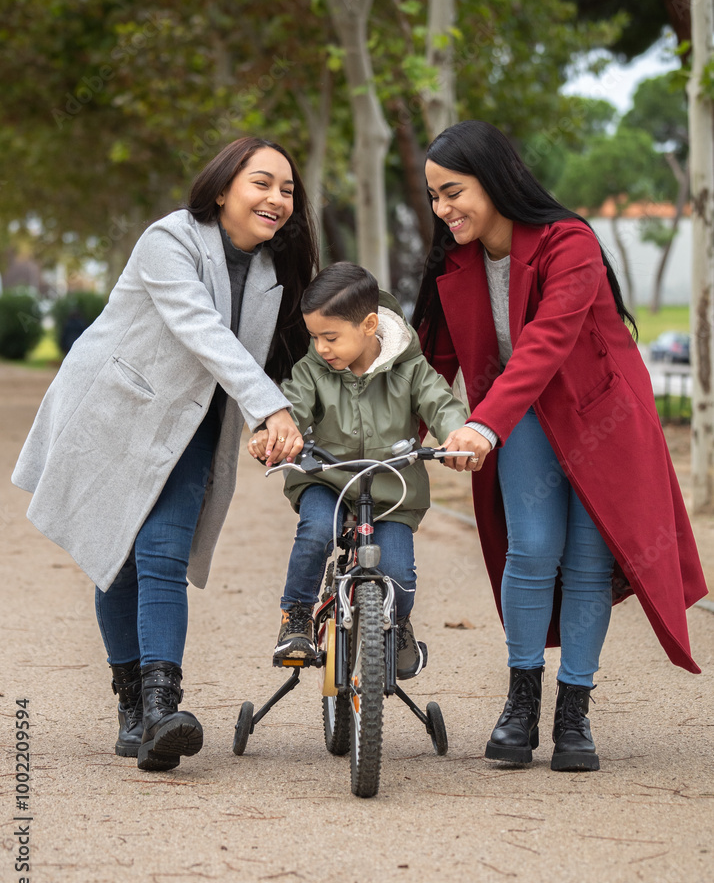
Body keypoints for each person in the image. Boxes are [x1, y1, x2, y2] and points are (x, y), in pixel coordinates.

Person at [12, 137, 318, 771]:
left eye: (287, 190)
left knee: (162, 554)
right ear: (220, 189)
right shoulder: (169, 239)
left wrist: (278, 418)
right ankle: (132, 704)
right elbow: (200, 328)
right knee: (116, 557)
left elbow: (277, 359)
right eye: (262, 183)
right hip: (119, 414)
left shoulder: (269, 275)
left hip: (196, 428)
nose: (277, 199)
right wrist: (268, 407)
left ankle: (160, 710)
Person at [411, 119, 707, 772]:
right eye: (434, 196)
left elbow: (548, 341)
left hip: (601, 418)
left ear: (493, 179)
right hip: (520, 418)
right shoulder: (450, 262)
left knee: (585, 563)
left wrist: (483, 425)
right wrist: (393, 446)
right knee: (533, 547)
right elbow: (428, 365)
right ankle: (521, 703)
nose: (443, 209)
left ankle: (574, 712)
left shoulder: (567, 241)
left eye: (453, 192)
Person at [248, 262, 469, 679]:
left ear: (369, 325)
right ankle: (296, 616)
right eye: (315, 337)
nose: (321, 347)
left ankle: (397, 625)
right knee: (315, 532)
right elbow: (290, 409)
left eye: (330, 337)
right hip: (326, 477)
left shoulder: (409, 368)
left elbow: (440, 402)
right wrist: (273, 435)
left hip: (391, 487)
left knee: (400, 572)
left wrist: (457, 434)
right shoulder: (312, 369)